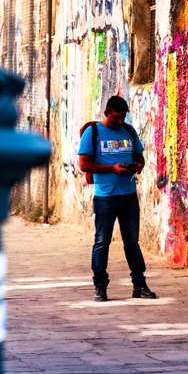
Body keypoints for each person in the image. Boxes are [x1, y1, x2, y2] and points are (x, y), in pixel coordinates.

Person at [77, 95, 156, 302]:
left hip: (129, 196)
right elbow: (84, 165)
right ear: (106, 113)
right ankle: (100, 287)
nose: (120, 121)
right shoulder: (92, 133)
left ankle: (139, 285)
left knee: (132, 243)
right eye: (116, 118)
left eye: (123, 117)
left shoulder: (129, 131)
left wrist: (139, 165)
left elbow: (139, 156)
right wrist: (111, 168)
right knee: (102, 242)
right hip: (105, 197)